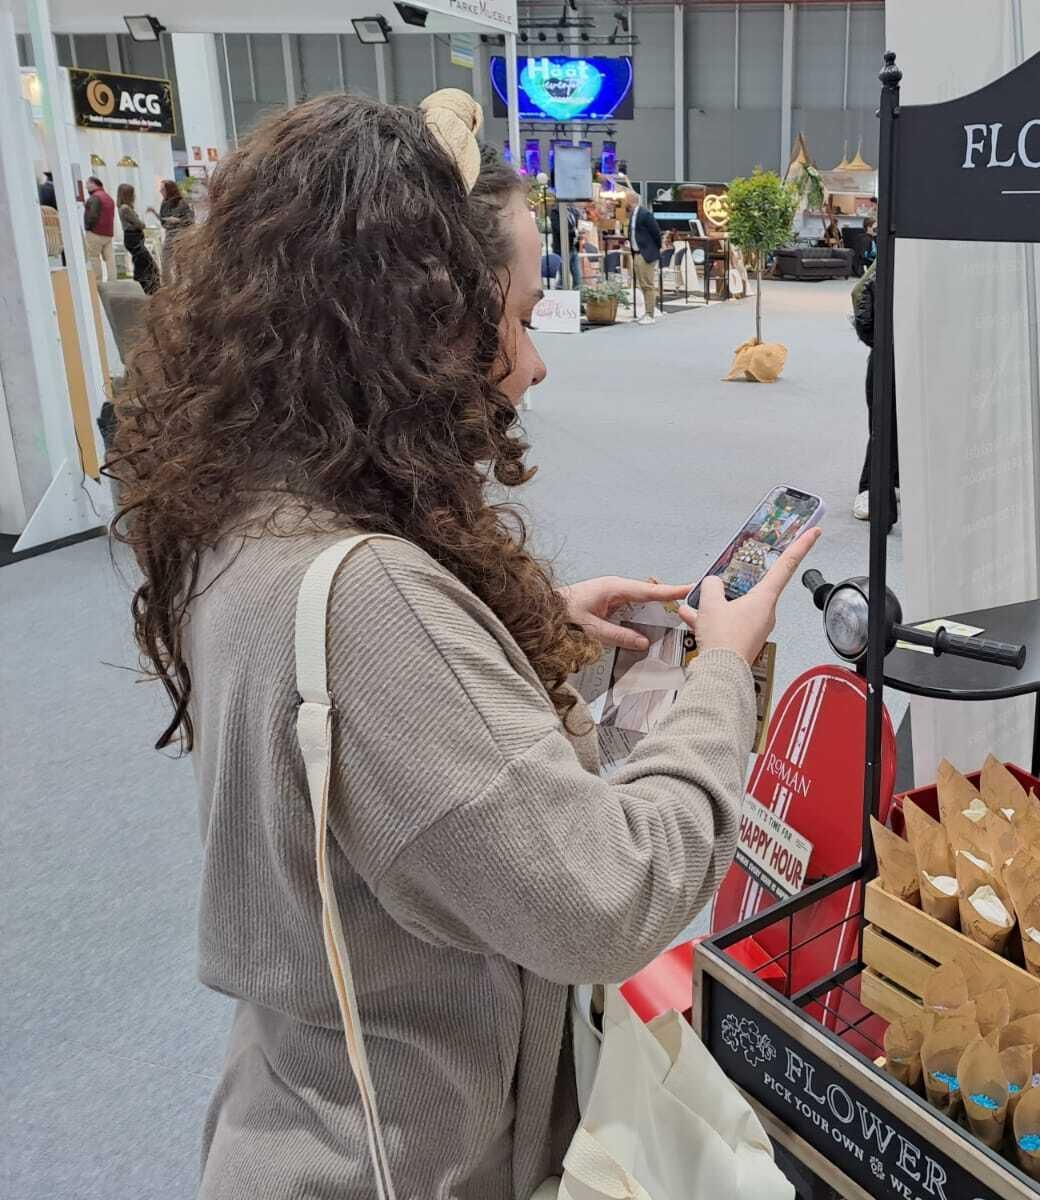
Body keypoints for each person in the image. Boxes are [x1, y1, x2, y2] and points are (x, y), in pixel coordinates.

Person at [110, 89, 818, 1199]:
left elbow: (365, 761)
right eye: (520, 319)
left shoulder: (248, 513)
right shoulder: (372, 602)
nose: (534, 365)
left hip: (306, 1118)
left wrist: (522, 640)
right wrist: (722, 674)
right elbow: (609, 898)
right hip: (401, 1162)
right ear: (424, 327)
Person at [850, 264, 897, 525]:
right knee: (886, 422)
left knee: (885, 422)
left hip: (889, 349)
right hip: (894, 351)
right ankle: (871, 488)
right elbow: (861, 293)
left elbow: (860, 292)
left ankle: (886, 484)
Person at [624, 188, 662, 325]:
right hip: (636, 253)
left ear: (631, 200)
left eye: (625, 199)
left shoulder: (645, 214)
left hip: (646, 253)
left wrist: (653, 249)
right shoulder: (632, 215)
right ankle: (646, 312)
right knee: (642, 284)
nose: (624, 201)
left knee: (647, 284)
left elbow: (656, 233)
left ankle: (650, 314)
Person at [116, 183, 160, 294]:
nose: (134, 196)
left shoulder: (125, 208)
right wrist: (141, 224)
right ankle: (149, 287)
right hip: (133, 239)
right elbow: (139, 224)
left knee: (142, 263)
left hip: (133, 238)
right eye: (132, 194)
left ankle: (149, 287)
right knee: (148, 264)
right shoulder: (125, 208)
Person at [155, 178, 195, 277]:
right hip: (169, 235)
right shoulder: (164, 203)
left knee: (181, 264)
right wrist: (165, 220)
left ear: (169, 190)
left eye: (163, 189)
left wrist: (178, 221)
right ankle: (168, 284)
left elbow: (190, 220)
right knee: (165, 262)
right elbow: (163, 220)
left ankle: (181, 283)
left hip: (181, 235)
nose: (160, 191)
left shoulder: (181, 202)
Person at [82, 175, 116, 280]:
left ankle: (98, 281)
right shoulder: (108, 197)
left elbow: (92, 215)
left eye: (87, 184)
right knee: (109, 258)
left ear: (94, 184)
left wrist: (88, 227)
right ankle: (112, 280)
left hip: (95, 232)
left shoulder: (95, 198)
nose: (86, 187)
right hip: (108, 233)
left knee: (94, 257)